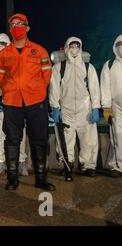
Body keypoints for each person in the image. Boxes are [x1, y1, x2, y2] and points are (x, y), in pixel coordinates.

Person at [0, 13, 55, 191]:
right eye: (13, 24)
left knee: (39, 139)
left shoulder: (39, 50)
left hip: (36, 102)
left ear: (27, 27)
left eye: (20, 24)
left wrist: (35, 90)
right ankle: (12, 179)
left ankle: (41, 178)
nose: (17, 27)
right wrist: (9, 90)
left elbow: (46, 74)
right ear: (10, 30)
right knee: (12, 140)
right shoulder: (4, 53)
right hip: (12, 102)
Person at [50, 37, 101, 179]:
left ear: (81, 48)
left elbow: (94, 89)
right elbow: (54, 89)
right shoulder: (59, 68)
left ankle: (89, 166)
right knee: (66, 140)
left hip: (85, 110)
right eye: (71, 45)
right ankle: (67, 163)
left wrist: (95, 107)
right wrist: (55, 107)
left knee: (89, 140)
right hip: (66, 111)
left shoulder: (88, 67)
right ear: (66, 48)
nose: (74, 48)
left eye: (77, 45)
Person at [0, 34, 28, 176]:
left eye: (4, 43)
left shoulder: (18, 60)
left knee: (18, 135)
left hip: (15, 105)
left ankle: (19, 163)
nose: (1, 46)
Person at [101, 34, 122, 177]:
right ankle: (118, 166)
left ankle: (114, 163)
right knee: (117, 135)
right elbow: (105, 88)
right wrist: (106, 108)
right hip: (116, 105)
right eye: (119, 44)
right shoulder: (109, 65)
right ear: (115, 47)